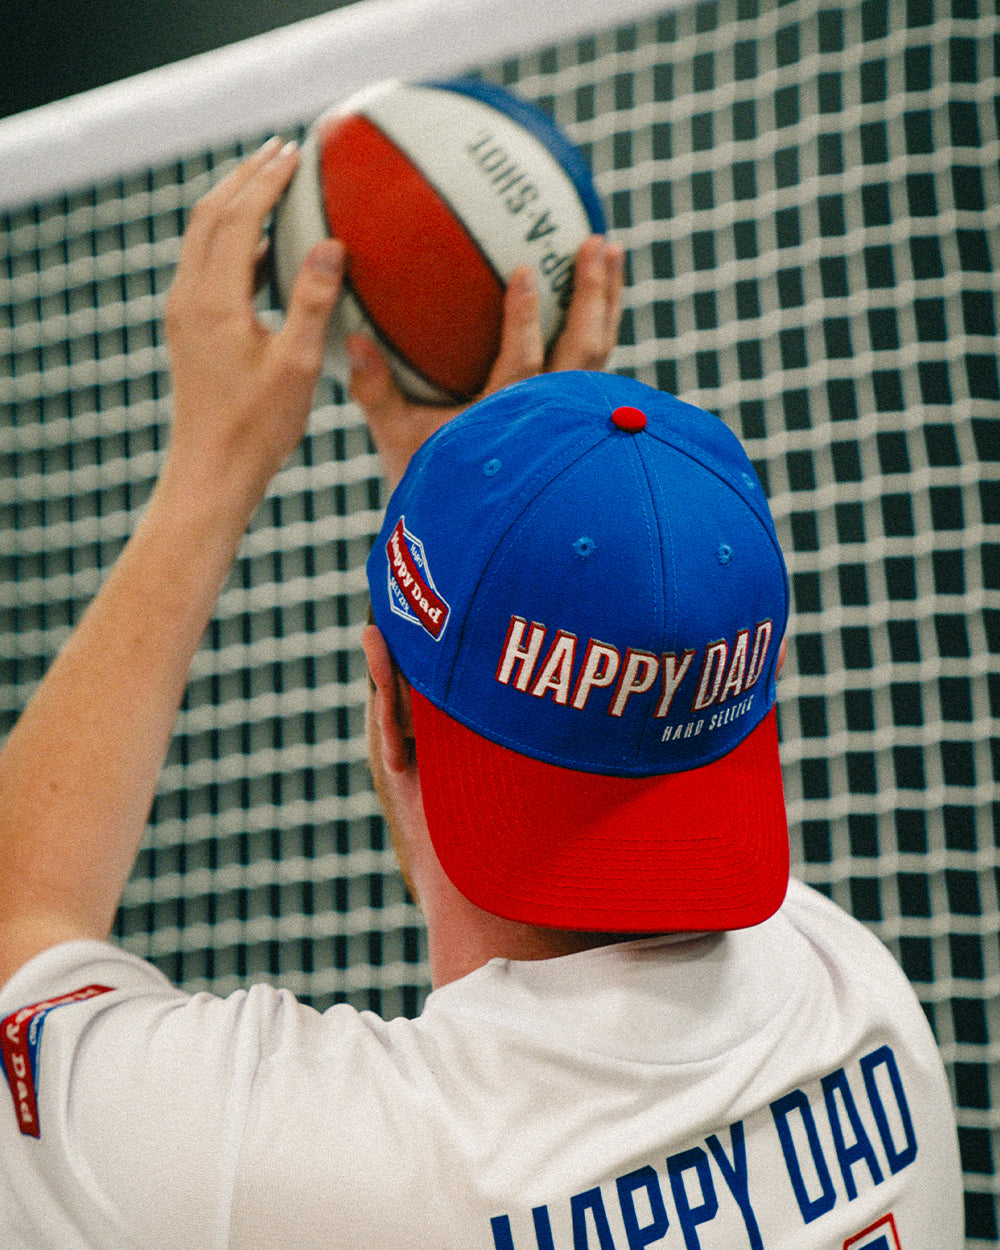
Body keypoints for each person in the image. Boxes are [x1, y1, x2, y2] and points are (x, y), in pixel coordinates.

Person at [0, 139, 962, 1249]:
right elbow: (516, 884)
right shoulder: (856, 995)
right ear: (751, 687)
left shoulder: (283, 1166)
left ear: (386, 705)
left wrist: (212, 468)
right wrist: (488, 533)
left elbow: (19, 916)